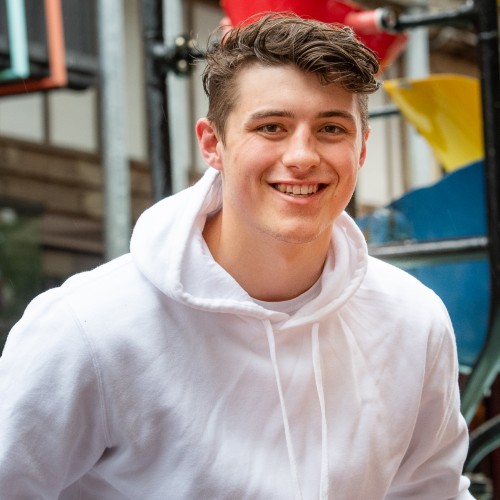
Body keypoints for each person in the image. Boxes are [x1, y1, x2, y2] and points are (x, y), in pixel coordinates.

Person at [0, 13, 473, 499]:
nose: (302, 156)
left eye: (331, 128)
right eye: (271, 127)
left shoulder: (413, 321)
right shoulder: (88, 329)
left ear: (361, 149)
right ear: (213, 144)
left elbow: (431, 493)